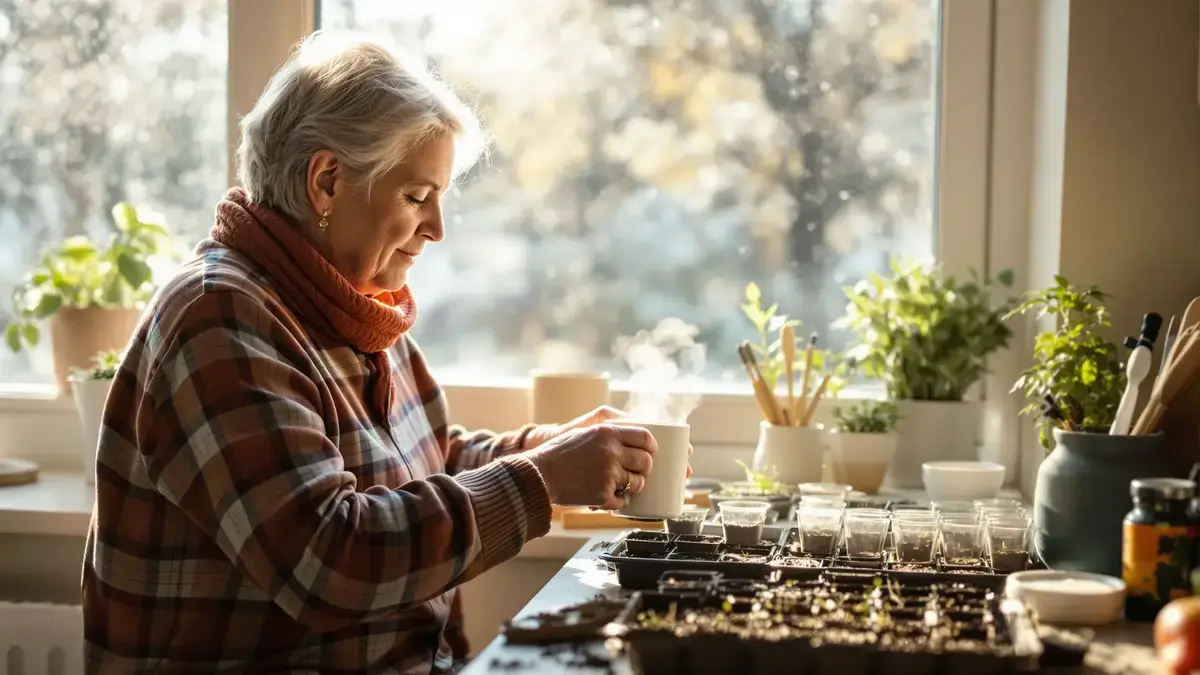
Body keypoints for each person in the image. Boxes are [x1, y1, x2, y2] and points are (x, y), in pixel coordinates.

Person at [82, 31, 686, 674]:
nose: (437, 228)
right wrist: (544, 479)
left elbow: (432, 462)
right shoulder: (218, 319)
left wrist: (555, 447)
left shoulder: (349, 305)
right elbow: (330, 557)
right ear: (327, 181)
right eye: (417, 197)